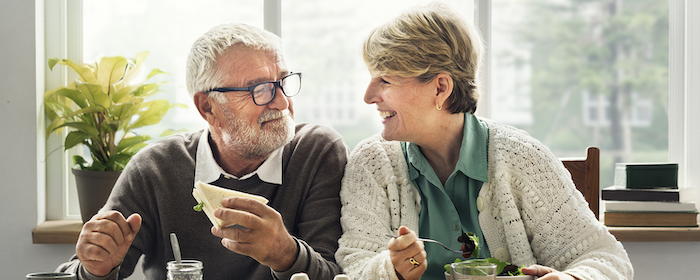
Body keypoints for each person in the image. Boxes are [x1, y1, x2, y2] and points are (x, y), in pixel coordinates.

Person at [335, 3, 633, 280]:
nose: (368, 96)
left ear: (440, 87)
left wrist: (570, 277)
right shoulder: (372, 163)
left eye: (385, 80)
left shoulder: (524, 158)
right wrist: (393, 268)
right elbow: (354, 265)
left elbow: (606, 259)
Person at [56, 23, 348, 280]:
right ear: (208, 107)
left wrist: (285, 253)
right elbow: (81, 269)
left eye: (283, 82)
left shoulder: (317, 153)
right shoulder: (155, 169)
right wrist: (94, 270)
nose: (283, 103)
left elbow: (341, 275)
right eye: (260, 89)